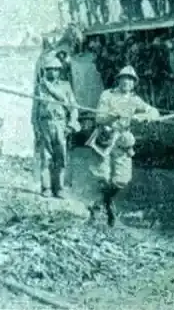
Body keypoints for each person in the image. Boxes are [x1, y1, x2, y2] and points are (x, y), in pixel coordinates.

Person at [90, 65, 160, 226]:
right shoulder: (107, 95)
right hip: (105, 138)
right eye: (124, 78)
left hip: (123, 141)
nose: (127, 82)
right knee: (103, 177)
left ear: (134, 83)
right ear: (118, 80)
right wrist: (111, 116)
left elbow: (155, 112)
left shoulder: (135, 99)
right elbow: (99, 118)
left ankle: (101, 204)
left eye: (130, 79)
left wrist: (144, 116)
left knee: (122, 179)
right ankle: (104, 211)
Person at [31, 56, 80, 197]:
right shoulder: (40, 87)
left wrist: (70, 125)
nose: (52, 72)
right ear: (45, 71)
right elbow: (34, 110)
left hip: (60, 124)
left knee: (61, 158)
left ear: (59, 71)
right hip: (44, 124)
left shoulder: (65, 86)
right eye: (49, 69)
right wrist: (36, 129)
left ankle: (59, 188)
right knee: (45, 158)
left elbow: (74, 108)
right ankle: (46, 187)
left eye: (55, 69)